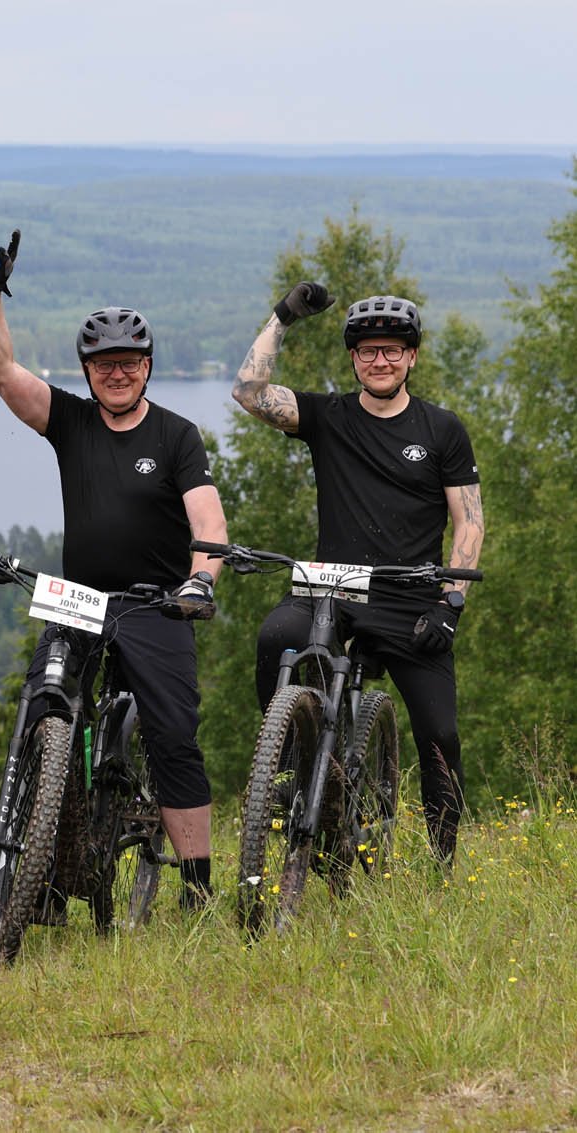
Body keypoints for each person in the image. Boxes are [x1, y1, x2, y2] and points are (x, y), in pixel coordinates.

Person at [0, 228, 229, 912]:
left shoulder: (176, 435)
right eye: (105, 363)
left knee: (174, 733)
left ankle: (197, 886)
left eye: (130, 362)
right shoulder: (72, 422)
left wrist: (201, 578)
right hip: (80, 600)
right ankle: (41, 878)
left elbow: (207, 519)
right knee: (44, 711)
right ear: (87, 369)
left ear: (148, 366)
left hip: (154, 603)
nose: (118, 372)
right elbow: (3, 373)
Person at [232, 286, 484, 865]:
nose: (380, 360)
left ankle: (445, 866)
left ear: (412, 357)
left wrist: (451, 603)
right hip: (334, 589)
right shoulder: (329, 416)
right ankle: (288, 766)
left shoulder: (442, 429)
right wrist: (283, 316)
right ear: (353, 358)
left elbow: (469, 523)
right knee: (276, 637)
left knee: (441, 735)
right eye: (369, 350)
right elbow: (248, 392)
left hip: (412, 598)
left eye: (393, 350)